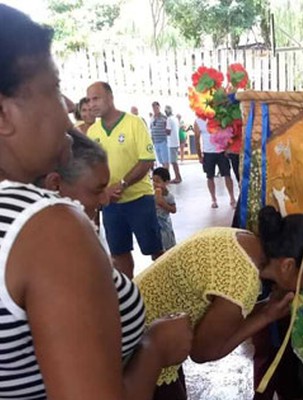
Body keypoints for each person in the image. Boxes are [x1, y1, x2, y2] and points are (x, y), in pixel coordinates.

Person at [0, 5, 192, 400]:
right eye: (54, 90)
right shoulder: (46, 230)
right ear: (4, 115)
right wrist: (154, 349)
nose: (69, 113)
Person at [134, 205, 303, 400]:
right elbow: (202, 352)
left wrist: (265, 309)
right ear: (288, 265)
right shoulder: (241, 281)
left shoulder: (242, 239)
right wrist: (266, 316)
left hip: (133, 325)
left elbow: (221, 317)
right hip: (136, 351)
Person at [87, 81, 164, 278]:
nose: (92, 104)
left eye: (96, 98)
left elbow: (146, 160)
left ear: (110, 97)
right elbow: (92, 168)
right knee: (119, 254)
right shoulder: (93, 132)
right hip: (111, 205)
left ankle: (169, 292)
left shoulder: (134, 123)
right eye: (89, 100)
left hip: (140, 200)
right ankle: (131, 297)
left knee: (156, 252)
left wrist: (121, 184)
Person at [194, 116, 237, 208]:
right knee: (210, 177)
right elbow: (196, 139)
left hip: (221, 151)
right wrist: (199, 155)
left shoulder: (219, 117)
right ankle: (213, 199)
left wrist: (227, 148)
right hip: (208, 152)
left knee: (227, 175)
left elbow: (227, 133)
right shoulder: (198, 121)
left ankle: (232, 198)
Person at [152, 167, 177, 251]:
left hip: (165, 225)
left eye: (158, 181)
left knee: (167, 245)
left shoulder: (169, 196)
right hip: (154, 224)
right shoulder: (151, 194)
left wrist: (163, 204)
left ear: (166, 182)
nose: (155, 184)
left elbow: (174, 210)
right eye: (153, 181)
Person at [165, 105, 182, 183]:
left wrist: (164, 128)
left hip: (171, 142)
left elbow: (168, 131)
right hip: (176, 141)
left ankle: (178, 177)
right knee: (174, 161)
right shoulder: (175, 118)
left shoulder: (169, 119)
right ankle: (178, 176)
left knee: (173, 161)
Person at [150, 101, 169, 167]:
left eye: (157, 108)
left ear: (159, 107)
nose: (155, 109)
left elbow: (168, 130)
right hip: (156, 143)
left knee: (166, 161)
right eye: (154, 108)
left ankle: (166, 177)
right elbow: (151, 129)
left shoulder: (164, 118)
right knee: (161, 161)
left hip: (163, 142)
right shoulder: (152, 118)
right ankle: (164, 175)